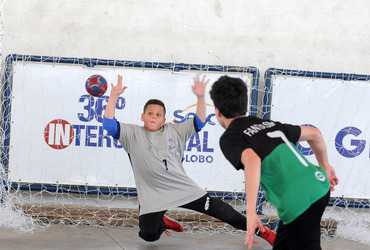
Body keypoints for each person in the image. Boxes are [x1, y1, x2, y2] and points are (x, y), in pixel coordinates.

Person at [103, 74, 276, 245]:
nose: (153, 116)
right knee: (148, 235)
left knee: (223, 212)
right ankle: (163, 222)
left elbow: (200, 121)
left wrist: (200, 97)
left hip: (182, 189)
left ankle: (263, 231)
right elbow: (109, 124)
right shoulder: (132, 134)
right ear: (142, 116)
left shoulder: (175, 131)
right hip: (152, 195)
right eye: (150, 113)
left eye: (158, 114)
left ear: (163, 120)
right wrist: (114, 96)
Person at [209, 75, 339, 250]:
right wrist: (325, 166)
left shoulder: (230, 137)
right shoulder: (268, 124)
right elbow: (314, 134)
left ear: (217, 111)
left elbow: (253, 161)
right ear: (246, 107)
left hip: (298, 200)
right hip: (319, 185)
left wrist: (251, 211)